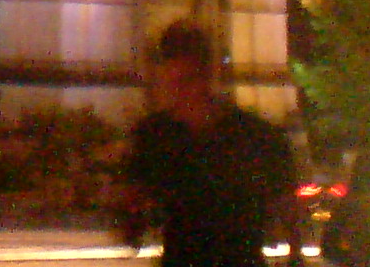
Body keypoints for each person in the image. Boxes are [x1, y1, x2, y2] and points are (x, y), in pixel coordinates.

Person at [122, 21, 299, 267]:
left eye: (184, 81)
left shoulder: (156, 135)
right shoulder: (255, 134)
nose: (180, 92)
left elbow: (285, 203)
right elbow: (286, 204)